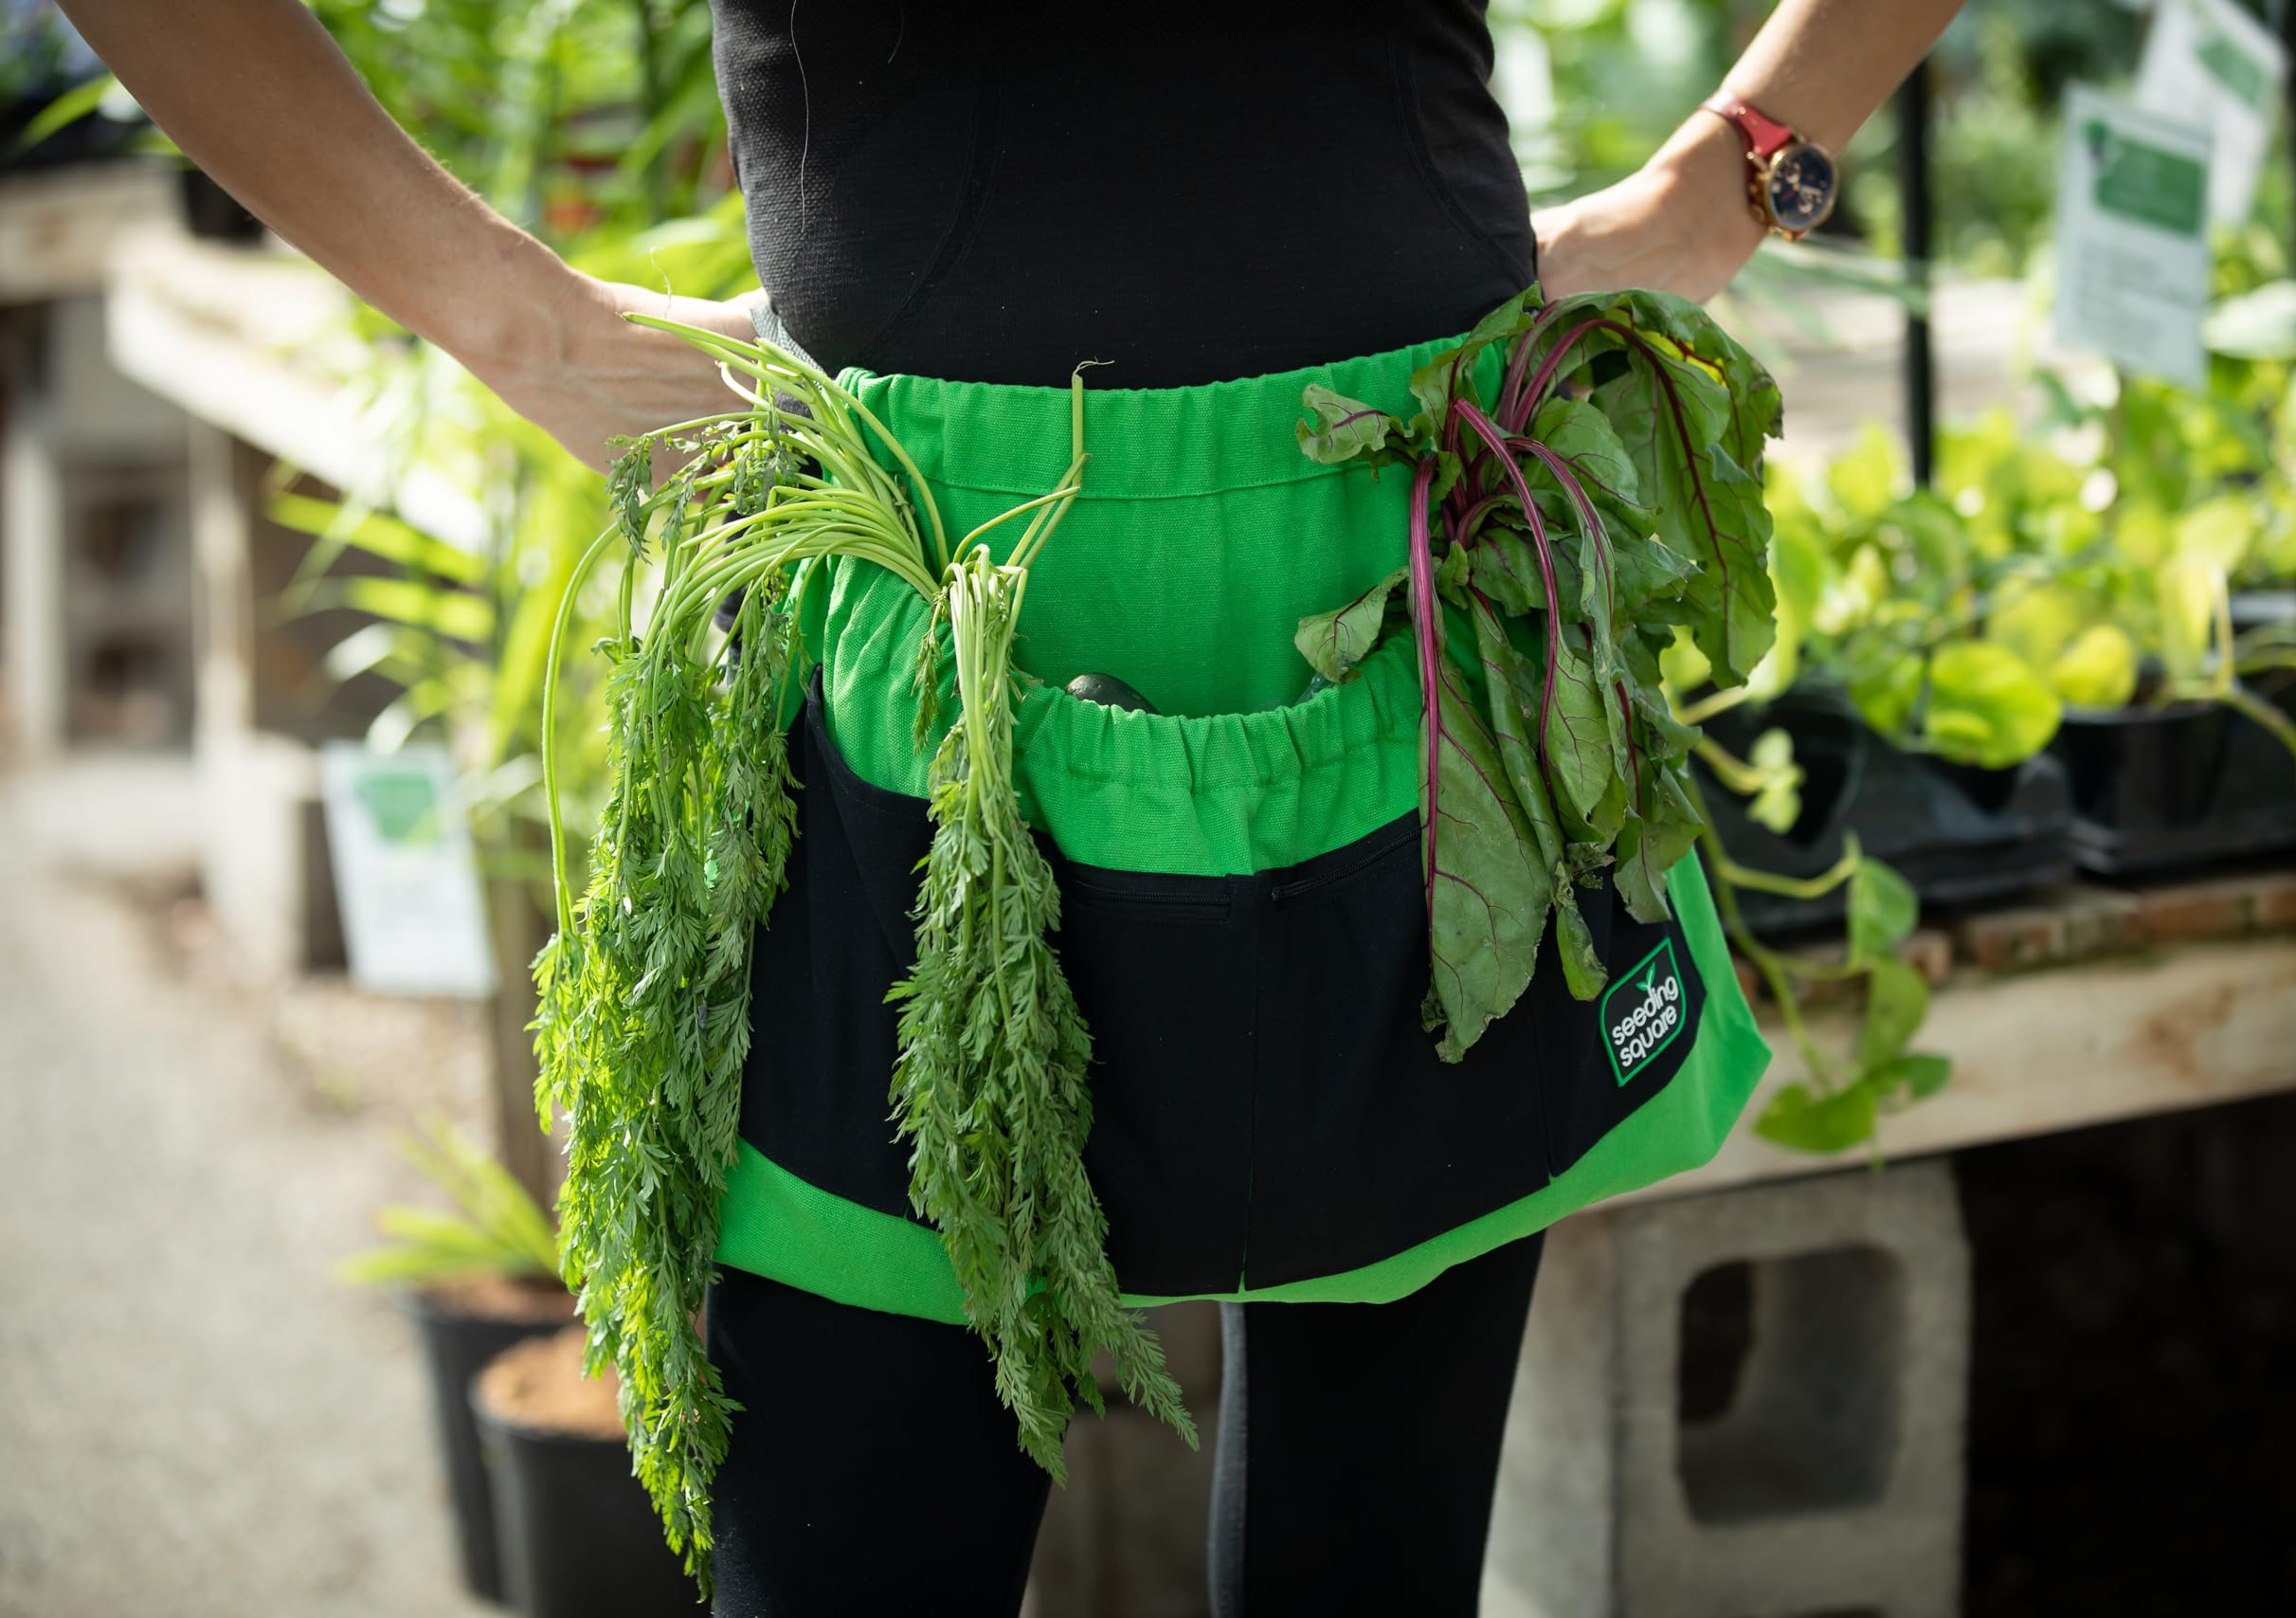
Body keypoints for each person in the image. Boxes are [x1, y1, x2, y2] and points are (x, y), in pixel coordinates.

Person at [62, 3, 1964, 1612]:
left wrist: (1731, 182)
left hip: (1404, 545)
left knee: (1370, 1551)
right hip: (905, 579)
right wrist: (524, 329)